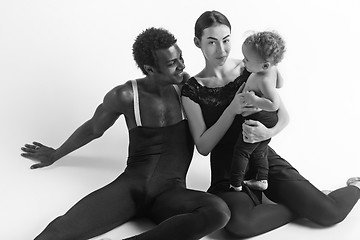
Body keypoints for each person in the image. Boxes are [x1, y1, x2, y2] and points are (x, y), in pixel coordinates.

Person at [20, 27, 230, 240]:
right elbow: (94, 128)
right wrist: (55, 155)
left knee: (218, 212)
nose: (181, 66)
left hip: (171, 193)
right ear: (149, 69)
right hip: (131, 189)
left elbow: (223, 118)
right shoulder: (125, 95)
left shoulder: (188, 88)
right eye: (171, 63)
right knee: (56, 233)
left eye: (181, 58)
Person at [181, 10, 360, 238]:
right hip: (228, 170)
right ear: (198, 42)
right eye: (212, 42)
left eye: (226, 40)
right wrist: (231, 110)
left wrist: (268, 131)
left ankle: (356, 186)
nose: (222, 50)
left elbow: (283, 115)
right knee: (241, 227)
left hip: (263, 156)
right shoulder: (192, 90)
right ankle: (298, 208)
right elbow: (203, 147)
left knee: (330, 213)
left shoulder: (252, 67)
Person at [230, 31, 285, 192]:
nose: (243, 61)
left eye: (247, 60)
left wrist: (255, 101)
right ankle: (262, 179)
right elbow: (280, 84)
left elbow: (274, 104)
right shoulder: (270, 71)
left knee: (242, 151)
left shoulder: (264, 79)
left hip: (260, 119)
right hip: (266, 118)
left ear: (265, 65)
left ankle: (235, 184)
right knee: (260, 150)